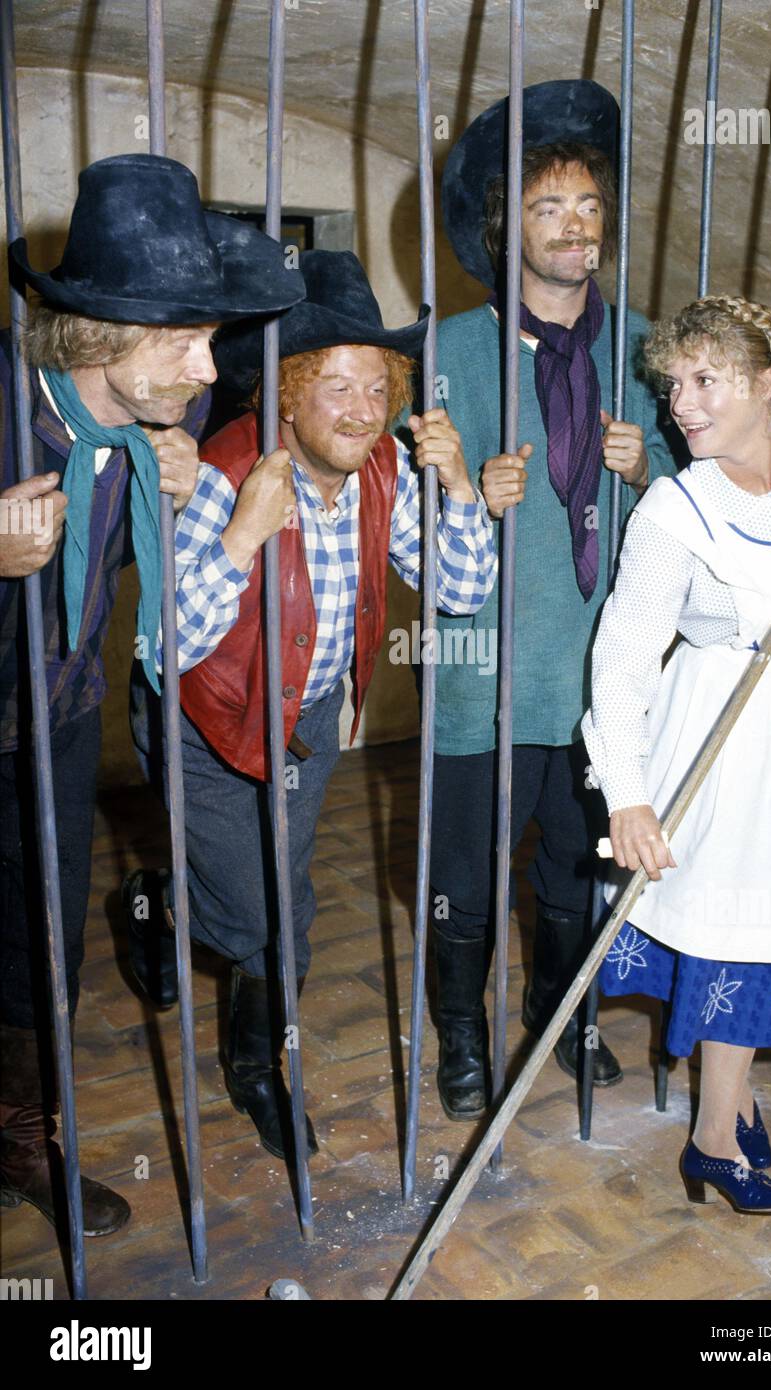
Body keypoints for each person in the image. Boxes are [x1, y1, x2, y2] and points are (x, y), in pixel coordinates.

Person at [124, 249, 497, 1160]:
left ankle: (253, 1063)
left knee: (280, 912)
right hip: (204, 728)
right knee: (260, 916)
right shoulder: (217, 471)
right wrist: (244, 535)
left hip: (307, 723)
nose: (364, 410)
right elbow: (166, 648)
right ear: (286, 394)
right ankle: (165, 903)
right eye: (336, 386)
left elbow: (461, 591)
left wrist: (455, 488)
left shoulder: (385, 475)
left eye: (378, 387)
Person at [0, 153, 302, 1236]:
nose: (205, 365)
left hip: (59, 719)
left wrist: (181, 498)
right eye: (181, 337)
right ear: (93, 336)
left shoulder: (161, 416)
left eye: (210, 337)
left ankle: (24, 1138)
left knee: (41, 944)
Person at [583, 293, 771, 1212]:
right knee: (728, 924)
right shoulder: (672, 509)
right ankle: (715, 1136)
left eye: (705, 380)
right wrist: (628, 797)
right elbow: (624, 656)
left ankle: (730, 1099)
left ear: (766, 381)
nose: (680, 403)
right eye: (674, 383)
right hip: (717, 730)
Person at [428, 79, 679, 1120]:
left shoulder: (646, 349)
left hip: (601, 671)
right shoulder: (452, 351)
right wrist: (466, 493)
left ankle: (560, 1015)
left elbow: (698, 499)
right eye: (548, 209)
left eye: (587, 206)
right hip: (485, 669)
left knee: (579, 873)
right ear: (506, 226)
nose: (576, 228)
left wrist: (646, 467)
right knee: (464, 879)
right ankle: (459, 1037)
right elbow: (409, 528)